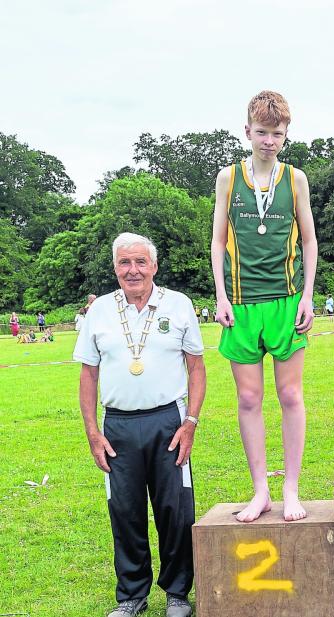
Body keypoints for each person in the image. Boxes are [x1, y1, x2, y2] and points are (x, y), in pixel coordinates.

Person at [74, 232, 206, 617]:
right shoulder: (100, 310)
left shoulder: (178, 304)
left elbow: (197, 368)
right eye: (124, 263)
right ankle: (132, 594)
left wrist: (191, 421)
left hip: (169, 422)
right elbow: (88, 375)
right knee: (125, 510)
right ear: (115, 268)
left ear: (154, 266)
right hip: (117, 426)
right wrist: (92, 432)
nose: (133, 270)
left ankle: (178, 593)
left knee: (175, 509)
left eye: (140, 262)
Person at [211, 90, 318, 523]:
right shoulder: (227, 178)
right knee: (249, 398)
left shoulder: (295, 179)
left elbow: (309, 240)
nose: (269, 141)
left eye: (277, 134)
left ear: (286, 135)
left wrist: (307, 295)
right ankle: (261, 491)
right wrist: (220, 295)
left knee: (290, 394)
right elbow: (217, 241)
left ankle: (291, 489)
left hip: (286, 301)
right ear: (247, 132)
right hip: (240, 303)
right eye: (261, 133)